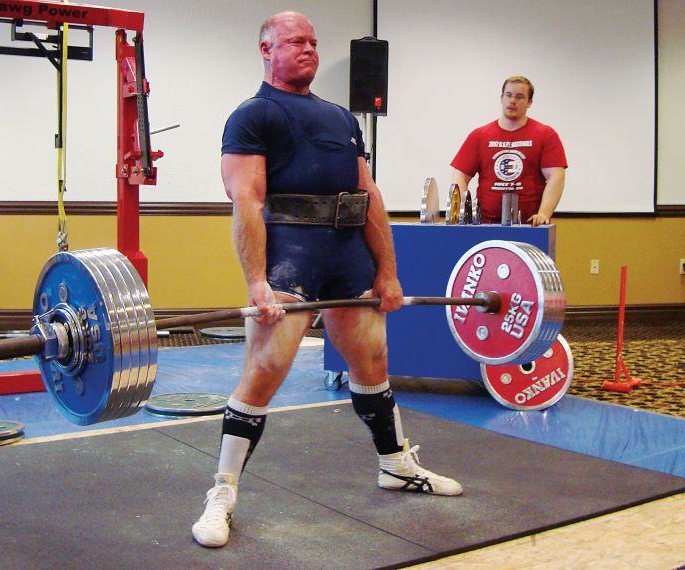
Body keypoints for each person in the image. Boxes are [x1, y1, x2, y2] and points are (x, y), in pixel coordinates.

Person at [191, 11, 462, 548]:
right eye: (295, 41)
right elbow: (247, 200)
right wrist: (257, 284)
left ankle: (396, 464)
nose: (308, 49)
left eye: (313, 41)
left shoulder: (341, 117)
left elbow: (369, 195)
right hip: (291, 256)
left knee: (373, 362)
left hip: (347, 257)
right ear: (266, 49)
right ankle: (221, 492)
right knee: (266, 369)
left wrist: (387, 271)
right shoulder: (252, 116)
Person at [450, 76, 567, 226]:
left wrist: (544, 213)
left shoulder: (545, 135)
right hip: (485, 224)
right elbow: (460, 175)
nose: (513, 101)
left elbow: (556, 176)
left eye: (519, 97)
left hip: (530, 225)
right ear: (501, 98)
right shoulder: (479, 136)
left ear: (529, 102)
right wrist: (462, 212)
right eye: (509, 95)